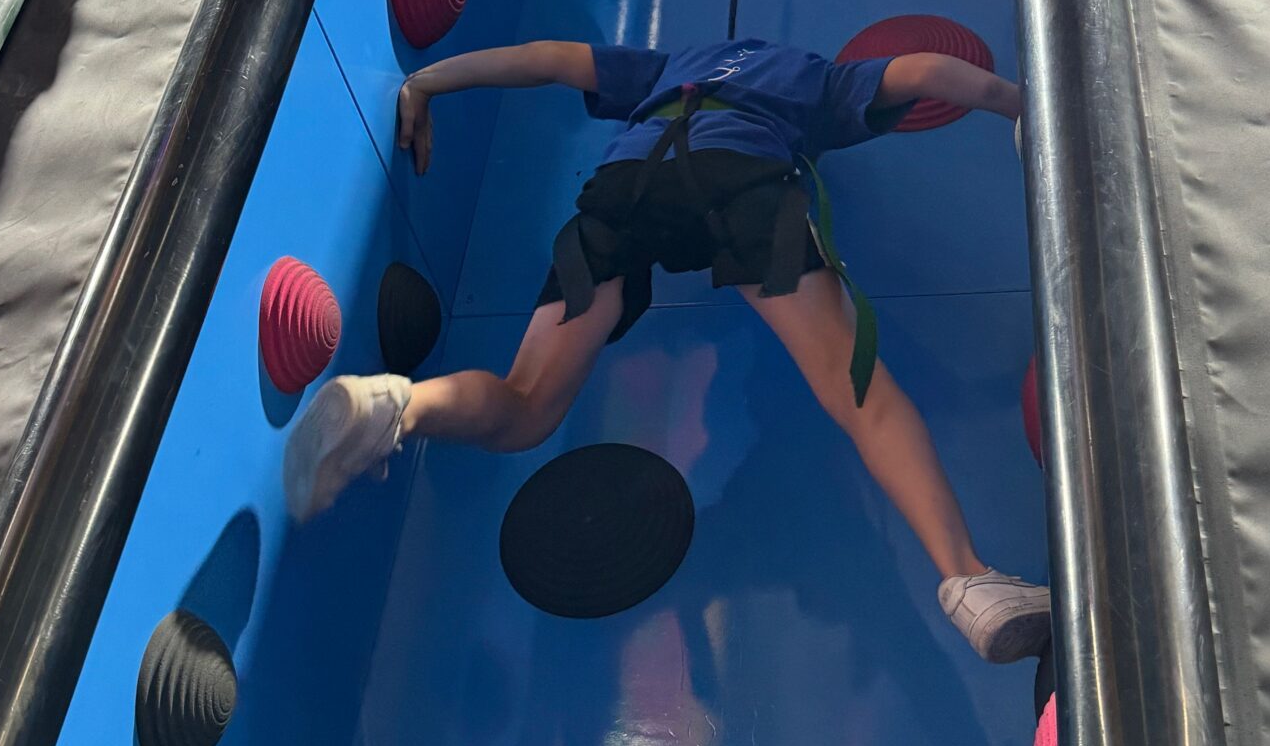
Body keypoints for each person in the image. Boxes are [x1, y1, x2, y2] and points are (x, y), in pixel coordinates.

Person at [284, 37, 1049, 664]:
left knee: (526, 405)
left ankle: (399, 405)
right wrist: (1022, 104)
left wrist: (425, 82)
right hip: (741, 179)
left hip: (624, 187)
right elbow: (923, 70)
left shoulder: (663, 68)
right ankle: (968, 580)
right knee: (860, 395)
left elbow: (545, 58)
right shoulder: (812, 77)